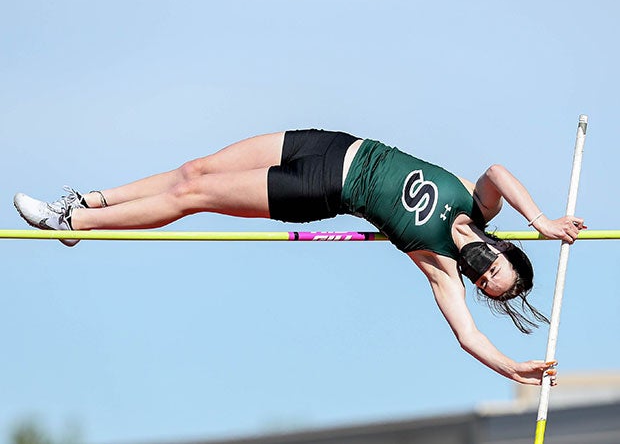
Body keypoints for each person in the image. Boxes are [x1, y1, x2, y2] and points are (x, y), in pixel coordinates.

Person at [14, 129, 585, 385]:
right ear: (501, 245)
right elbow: (498, 172)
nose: (484, 274)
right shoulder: (477, 204)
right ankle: (88, 201)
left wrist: (510, 365)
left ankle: (74, 224)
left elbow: (468, 338)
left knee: (192, 198)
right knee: (195, 170)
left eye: (488, 284)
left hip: (317, 191)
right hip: (332, 144)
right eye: (495, 267)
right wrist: (543, 221)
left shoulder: (438, 267)